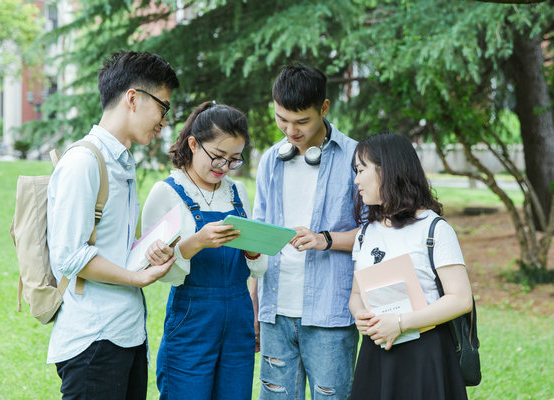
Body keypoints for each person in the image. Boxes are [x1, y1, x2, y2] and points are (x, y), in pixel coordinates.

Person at [46, 50, 180, 399]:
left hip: (127, 333)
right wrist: (137, 277)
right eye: (163, 106)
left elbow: (113, 246)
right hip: (94, 341)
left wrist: (147, 253)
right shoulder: (84, 162)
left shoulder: (122, 162)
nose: (165, 120)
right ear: (133, 99)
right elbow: (71, 256)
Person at [141, 101, 268, 400]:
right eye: (218, 157)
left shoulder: (237, 192)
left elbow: (257, 269)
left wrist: (253, 252)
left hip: (238, 316)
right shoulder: (167, 193)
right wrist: (196, 242)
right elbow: (154, 271)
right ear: (194, 144)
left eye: (234, 159)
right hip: (193, 317)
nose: (224, 167)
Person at [250, 63, 361, 399]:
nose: (290, 131)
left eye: (302, 121)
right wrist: (253, 303)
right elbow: (258, 237)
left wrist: (324, 239)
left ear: (324, 108)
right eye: (281, 119)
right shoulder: (271, 160)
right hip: (275, 312)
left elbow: (377, 234)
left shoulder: (356, 157)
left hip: (331, 314)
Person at [349, 132, 473, 399]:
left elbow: (461, 299)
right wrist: (359, 314)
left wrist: (402, 322)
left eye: (361, 170)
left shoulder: (434, 229)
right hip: (377, 353)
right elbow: (357, 295)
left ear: (388, 170)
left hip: (424, 356)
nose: (356, 180)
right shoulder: (365, 233)